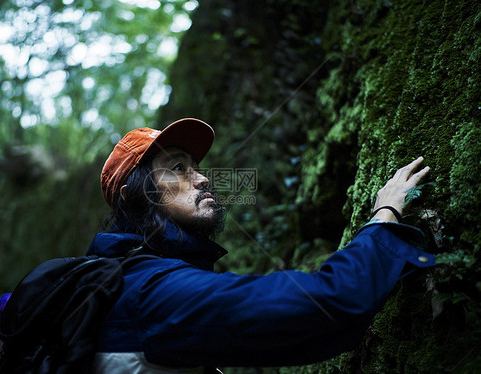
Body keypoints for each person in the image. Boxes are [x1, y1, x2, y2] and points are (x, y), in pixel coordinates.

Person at [87, 118, 434, 373]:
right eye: (178, 167)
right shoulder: (149, 292)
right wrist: (384, 216)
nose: (204, 178)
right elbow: (325, 304)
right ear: (136, 195)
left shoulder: (130, 283)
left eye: (196, 167)